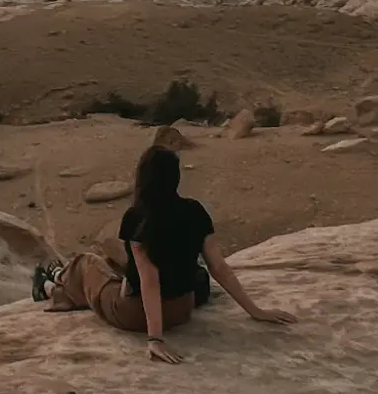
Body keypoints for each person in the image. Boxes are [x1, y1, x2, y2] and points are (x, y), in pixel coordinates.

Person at [32, 145, 295, 362]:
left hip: (134, 314)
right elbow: (219, 268)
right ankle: (55, 283)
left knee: (87, 264)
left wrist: (155, 338)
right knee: (186, 271)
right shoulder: (195, 211)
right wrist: (255, 310)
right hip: (183, 308)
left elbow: (149, 280)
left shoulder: (138, 218)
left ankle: (49, 285)